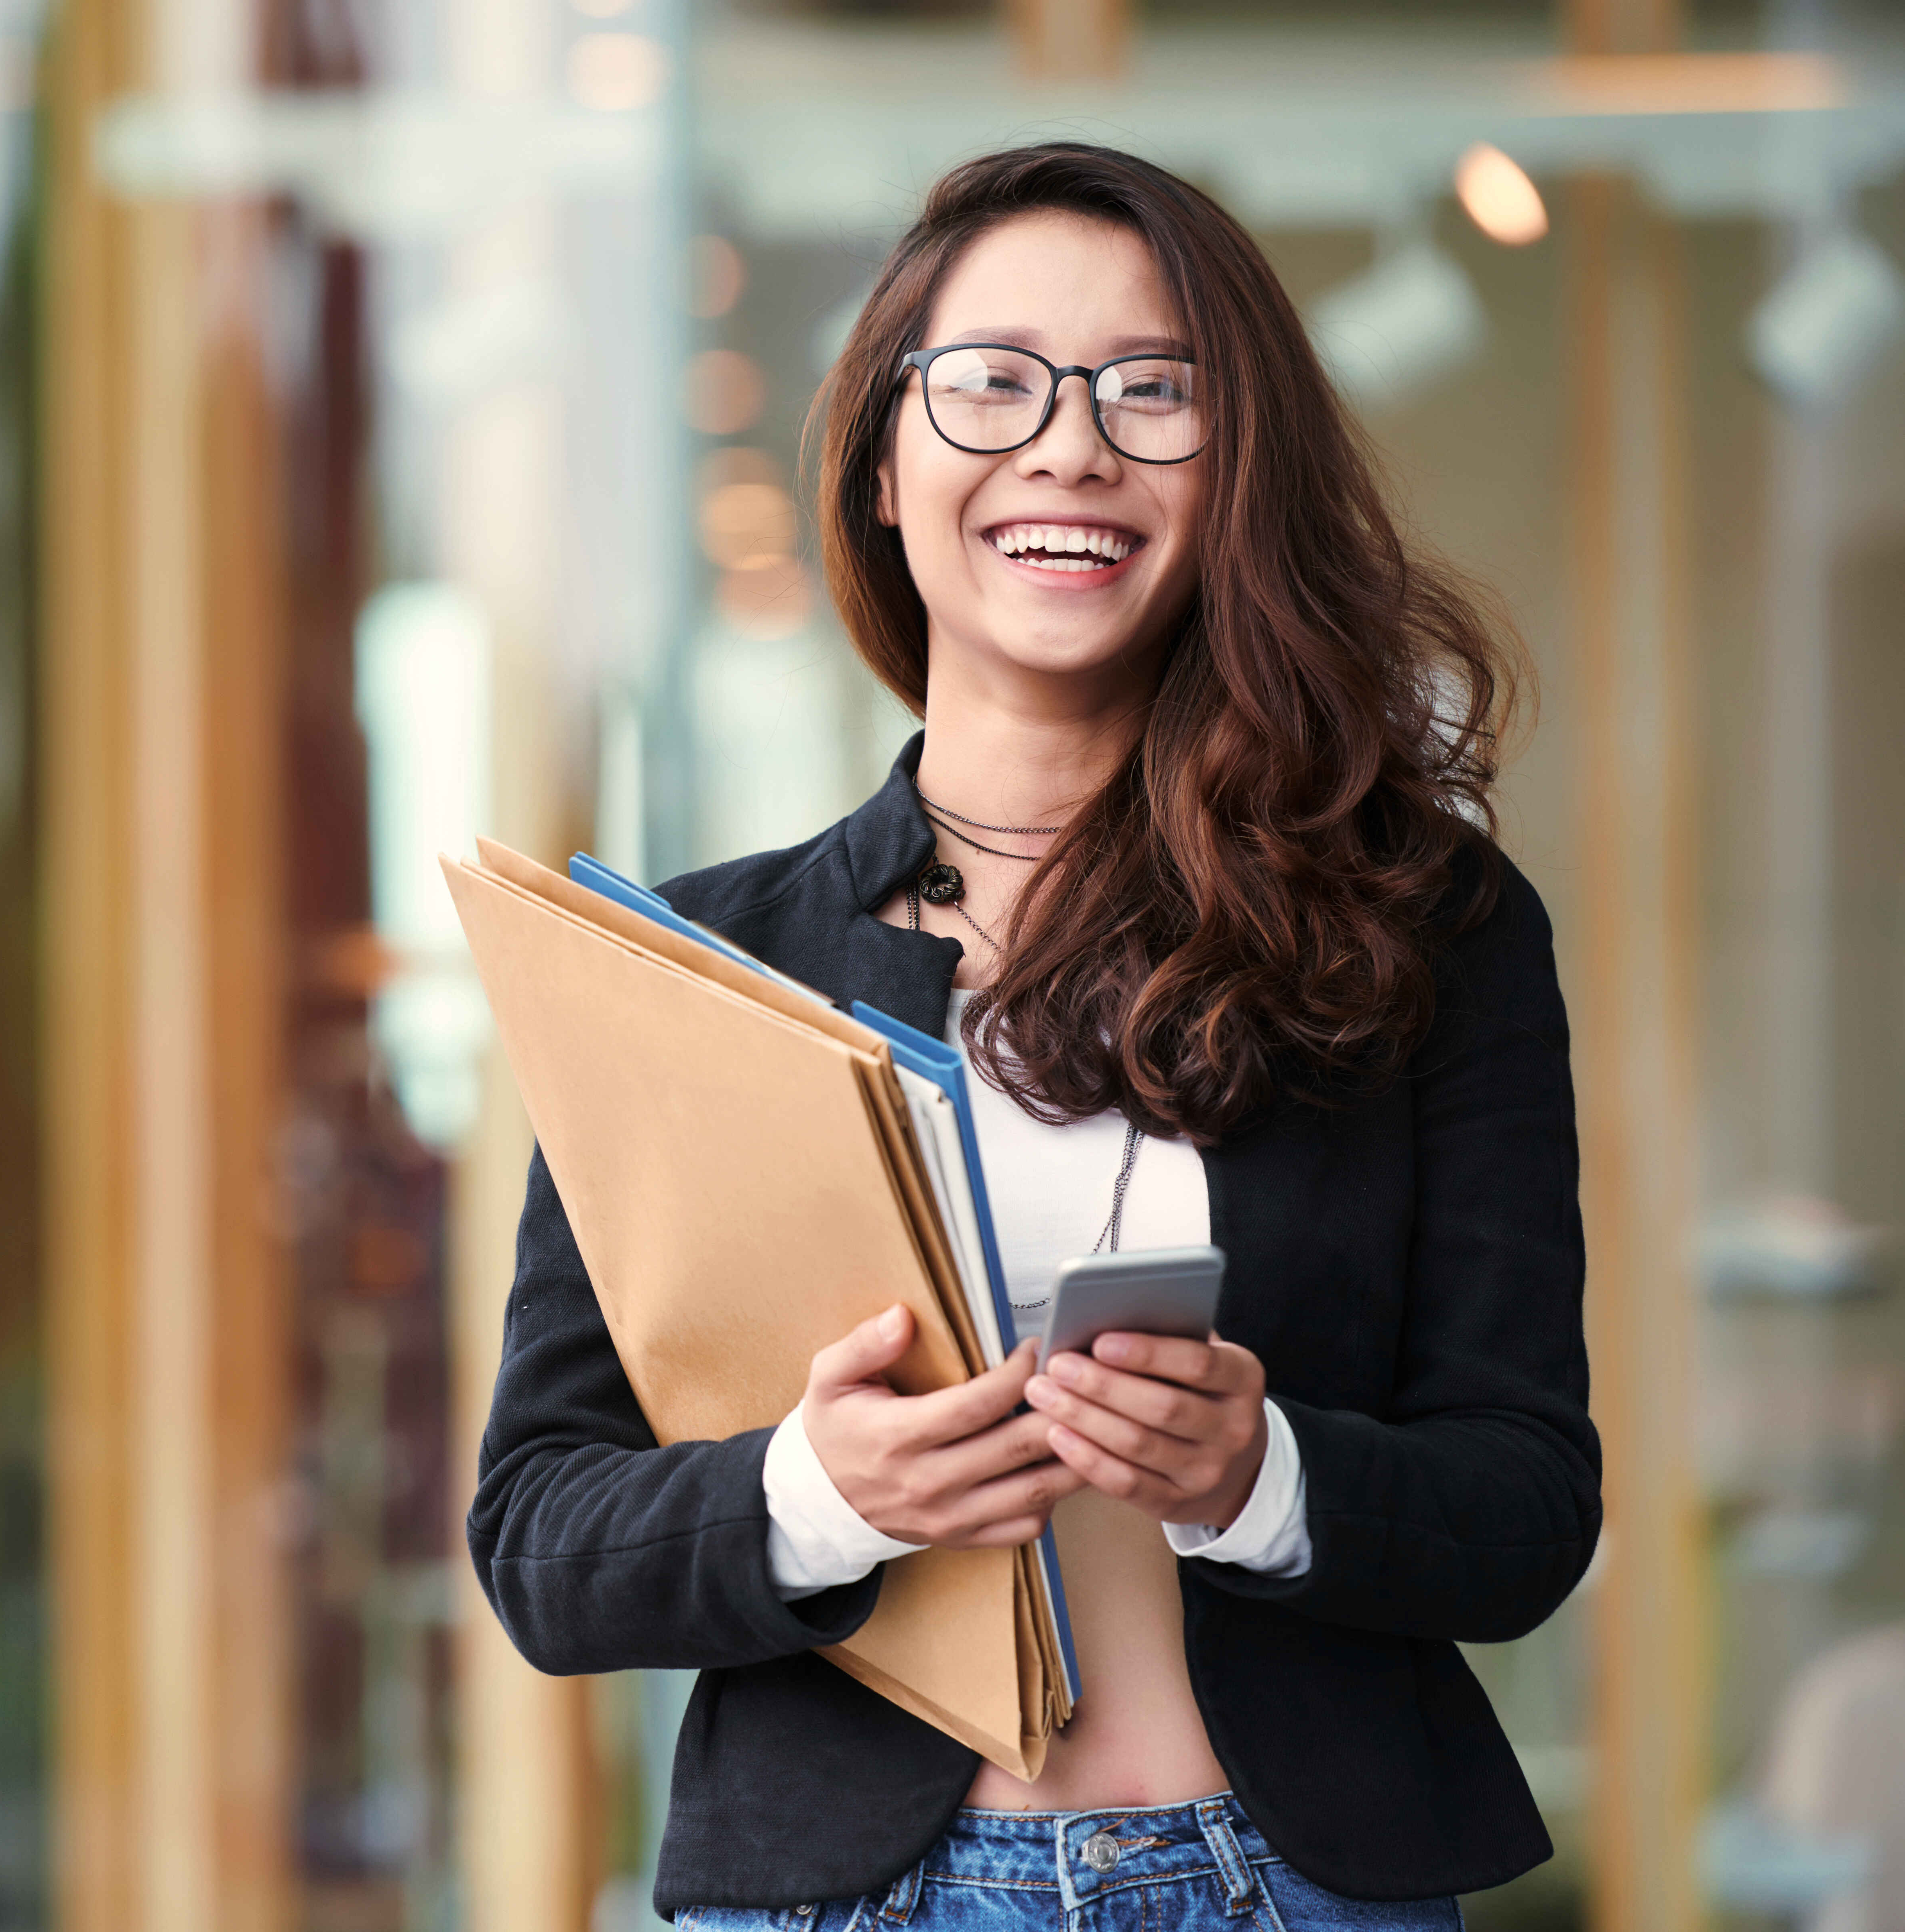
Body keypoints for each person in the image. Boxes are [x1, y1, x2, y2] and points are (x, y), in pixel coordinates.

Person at [467, 143, 1599, 1931]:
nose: (1070, 445)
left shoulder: (1427, 931)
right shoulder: (701, 962)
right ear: (883, 457)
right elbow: (541, 1541)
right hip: (845, 1898)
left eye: (1155, 392)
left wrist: (1259, 1474)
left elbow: (1527, 1504)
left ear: (1239, 474)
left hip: (1293, 1884)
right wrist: (815, 1494)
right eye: (992, 381)